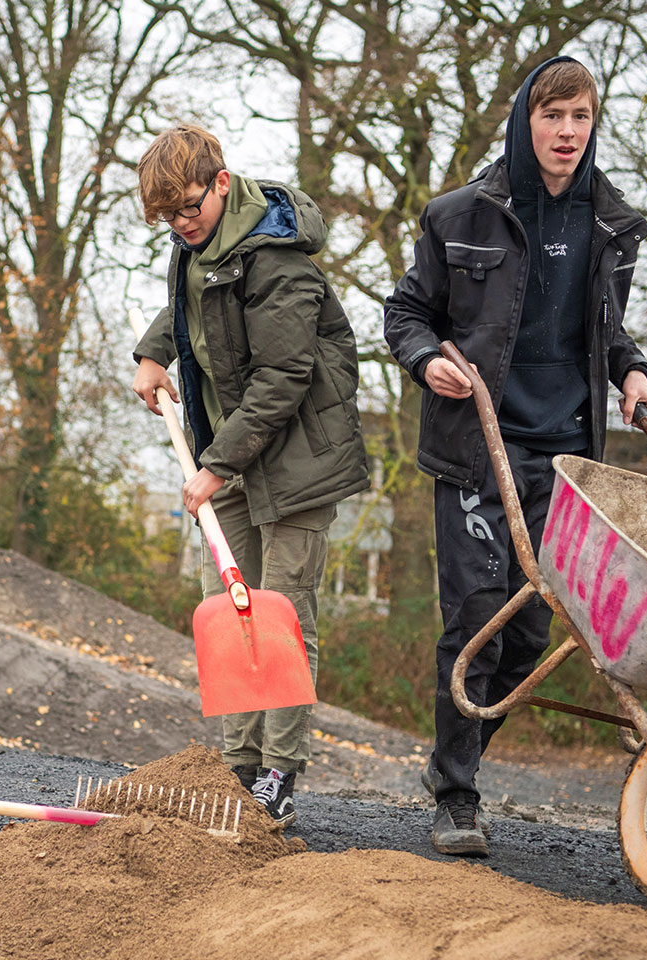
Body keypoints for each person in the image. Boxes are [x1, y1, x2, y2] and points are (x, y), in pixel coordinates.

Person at [383, 57, 647, 856]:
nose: (568, 133)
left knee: (532, 638)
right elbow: (406, 311)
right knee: (477, 621)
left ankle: (454, 759)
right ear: (525, 120)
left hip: (567, 459)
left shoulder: (614, 225)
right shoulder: (460, 215)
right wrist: (423, 359)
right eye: (553, 117)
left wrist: (632, 373)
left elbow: (605, 331)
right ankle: (458, 795)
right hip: (480, 448)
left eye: (580, 117)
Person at [131, 124, 371, 827]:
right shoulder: (197, 246)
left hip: (295, 457)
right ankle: (235, 767)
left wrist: (213, 465)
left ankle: (278, 774)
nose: (182, 224)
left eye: (190, 207)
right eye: (169, 215)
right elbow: (194, 311)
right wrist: (154, 353)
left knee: (282, 617)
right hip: (233, 453)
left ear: (222, 183)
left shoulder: (279, 259)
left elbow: (283, 377)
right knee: (228, 616)